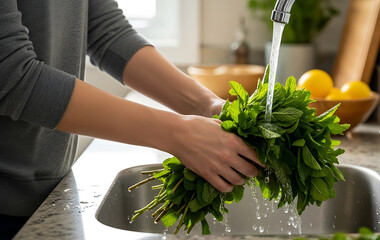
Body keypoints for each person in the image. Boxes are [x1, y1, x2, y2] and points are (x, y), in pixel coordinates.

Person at [0, 1, 264, 239]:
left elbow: (103, 27)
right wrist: (176, 133)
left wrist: (207, 105)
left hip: (48, 189)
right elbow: (10, 72)